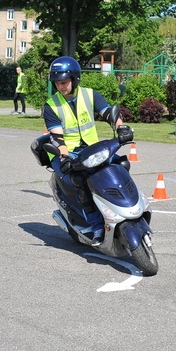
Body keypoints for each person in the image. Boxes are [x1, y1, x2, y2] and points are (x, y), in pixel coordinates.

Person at [43, 56, 132, 245]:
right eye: (57, 83)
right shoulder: (51, 105)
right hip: (66, 152)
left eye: (64, 82)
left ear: (74, 79)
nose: (61, 86)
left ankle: (126, 209)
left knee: (120, 165)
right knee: (81, 180)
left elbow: (108, 112)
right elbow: (57, 137)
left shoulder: (89, 95)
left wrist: (121, 128)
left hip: (92, 147)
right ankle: (96, 227)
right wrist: (64, 156)